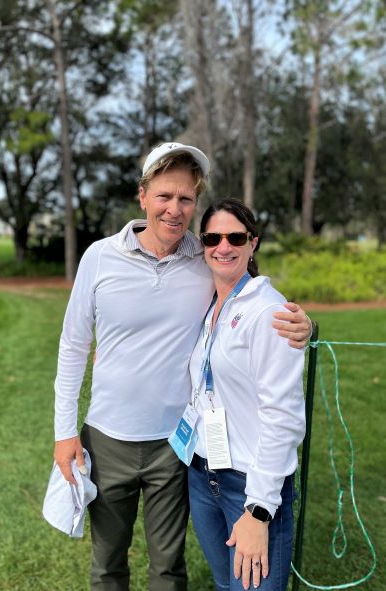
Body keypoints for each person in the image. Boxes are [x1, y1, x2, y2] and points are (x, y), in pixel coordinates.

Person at [53, 143, 311, 591]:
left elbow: (252, 305)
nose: (174, 209)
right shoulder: (99, 257)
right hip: (107, 438)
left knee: (168, 569)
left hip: (176, 447)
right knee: (107, 566)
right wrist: (64, 432)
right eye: (164, 196)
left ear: (195, 203)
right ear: (143, 196)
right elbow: (73, 347)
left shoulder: (205, 254)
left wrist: (308, 325)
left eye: (186, 199)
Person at [187, 198, 306, 591]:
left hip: (250, 486)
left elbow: (283, 416)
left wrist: (258, 510)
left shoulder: (269, 312)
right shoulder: (210, 301)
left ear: (252, 243)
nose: (223, 246)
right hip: (204, 475)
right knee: (226, 585)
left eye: (235, 237)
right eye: (212, 237)